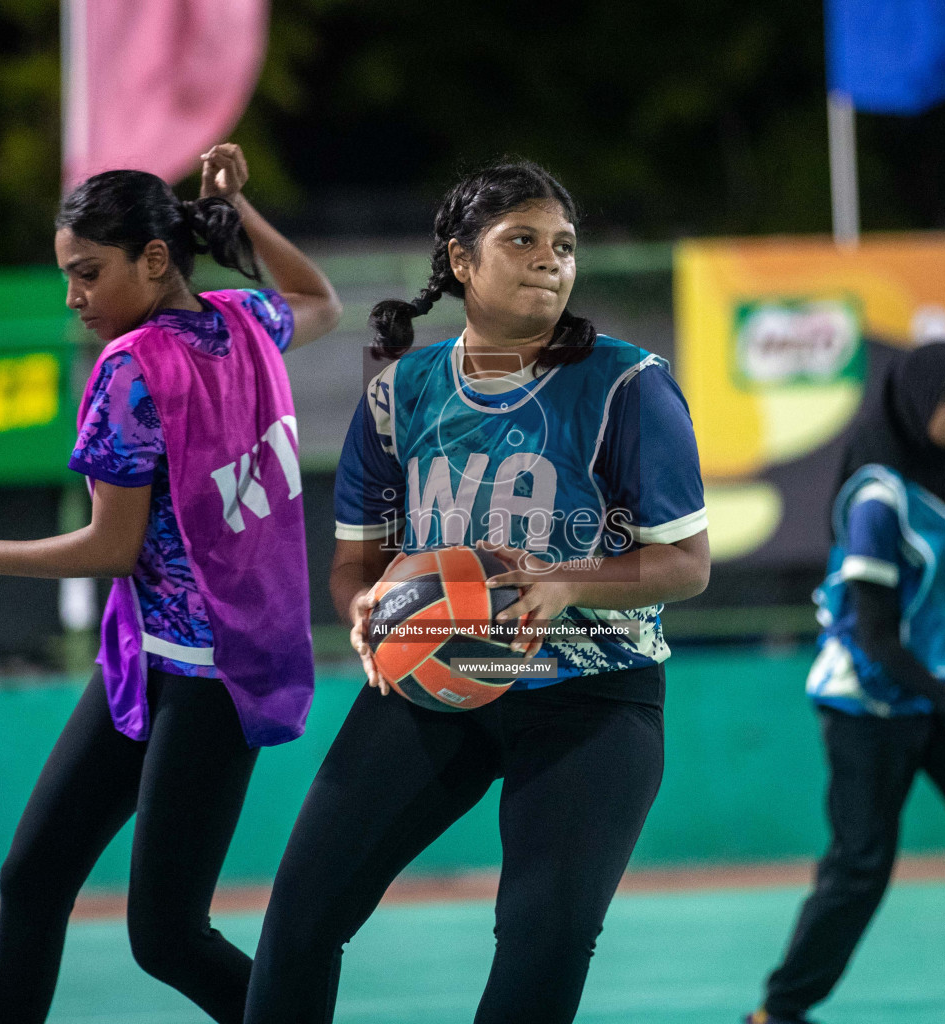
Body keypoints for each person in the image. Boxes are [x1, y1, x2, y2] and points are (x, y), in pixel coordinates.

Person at [240, 160, 710, 1024]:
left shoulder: (627, 385)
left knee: (543, 939)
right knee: (301, 918)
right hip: (429, 682)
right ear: (460, 260)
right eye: (522, 240)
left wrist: (569, 583)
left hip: (593, 693)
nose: (548, 260)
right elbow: (356, 563)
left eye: (563, 246)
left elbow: (687, 563)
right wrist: (362, 609)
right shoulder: (400, 393)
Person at [0, 144, 342, 1024]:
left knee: (165, 935)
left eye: (87, 273)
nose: (73, 297)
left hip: (207, 677)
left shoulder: (132, 369)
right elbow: (321, 300)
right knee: (35, 875)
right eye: (67, 276)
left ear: (155, 259)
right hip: (164, 658)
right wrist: (238, 211)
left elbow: (111, 546)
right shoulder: (247, 319)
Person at [748, 341, 945, 1024]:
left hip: (932, 697)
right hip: (867, 701)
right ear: (918, 402)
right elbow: (874, 636)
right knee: (861, 867)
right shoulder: (878, 498)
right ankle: (777, 1012)